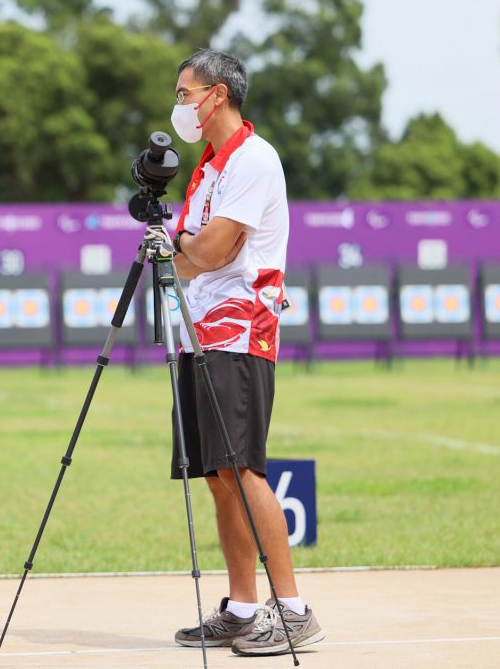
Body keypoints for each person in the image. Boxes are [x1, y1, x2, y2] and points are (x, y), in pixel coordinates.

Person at [167, 49, 324, 656]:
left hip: (240, 327)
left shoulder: (254, 159)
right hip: (199, 326)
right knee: (216, 474)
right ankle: (242, 607)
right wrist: (189, 245)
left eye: (186, 94)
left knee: (243, 467)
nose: (181, 107)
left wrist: (187, 244)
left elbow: (209, 251)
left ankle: (294, 610)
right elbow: (188, 257)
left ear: (218, 95)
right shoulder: (207, 168)